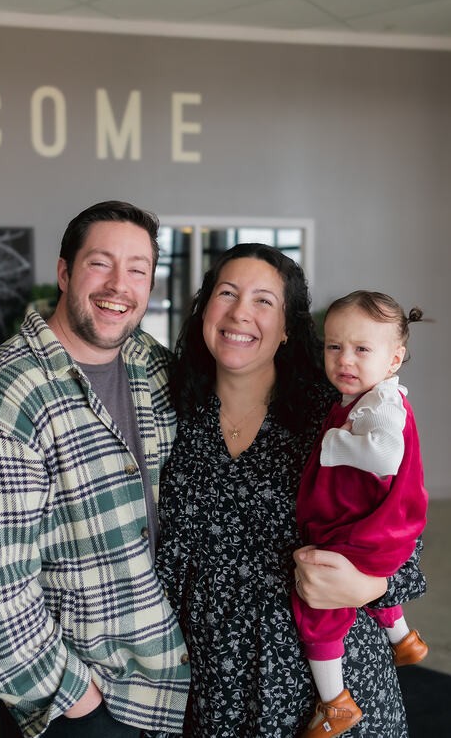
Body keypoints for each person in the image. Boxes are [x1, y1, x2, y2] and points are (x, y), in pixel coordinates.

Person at [154, 243, 426, 738]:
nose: (240, 312)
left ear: (286, 328)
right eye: (227, 293)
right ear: (204, 310)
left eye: (263, 300)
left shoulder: (338, 412)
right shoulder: (171, 412)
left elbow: (403, 524)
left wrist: (375, 586)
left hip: (328, 678)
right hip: (214, 683)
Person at [0, 201, 190, 738]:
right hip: (85, 705)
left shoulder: (148, 362)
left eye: (137, 270)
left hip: (161, 683)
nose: (119, 285)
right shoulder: (2, 402)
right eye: (100, 263)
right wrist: (76, 700)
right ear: (64, 272)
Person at [293, 290, 428, 738]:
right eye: (334, 346)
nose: (344, 359)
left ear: (394, 359)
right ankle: (402, 639)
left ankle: (335, 703)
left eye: (361, 349)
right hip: (373, 528)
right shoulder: (364, 397)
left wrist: (334, 441)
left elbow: (385, 456)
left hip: (371, 531)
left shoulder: (381, 403)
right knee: (358, 578)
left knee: (319, 607)